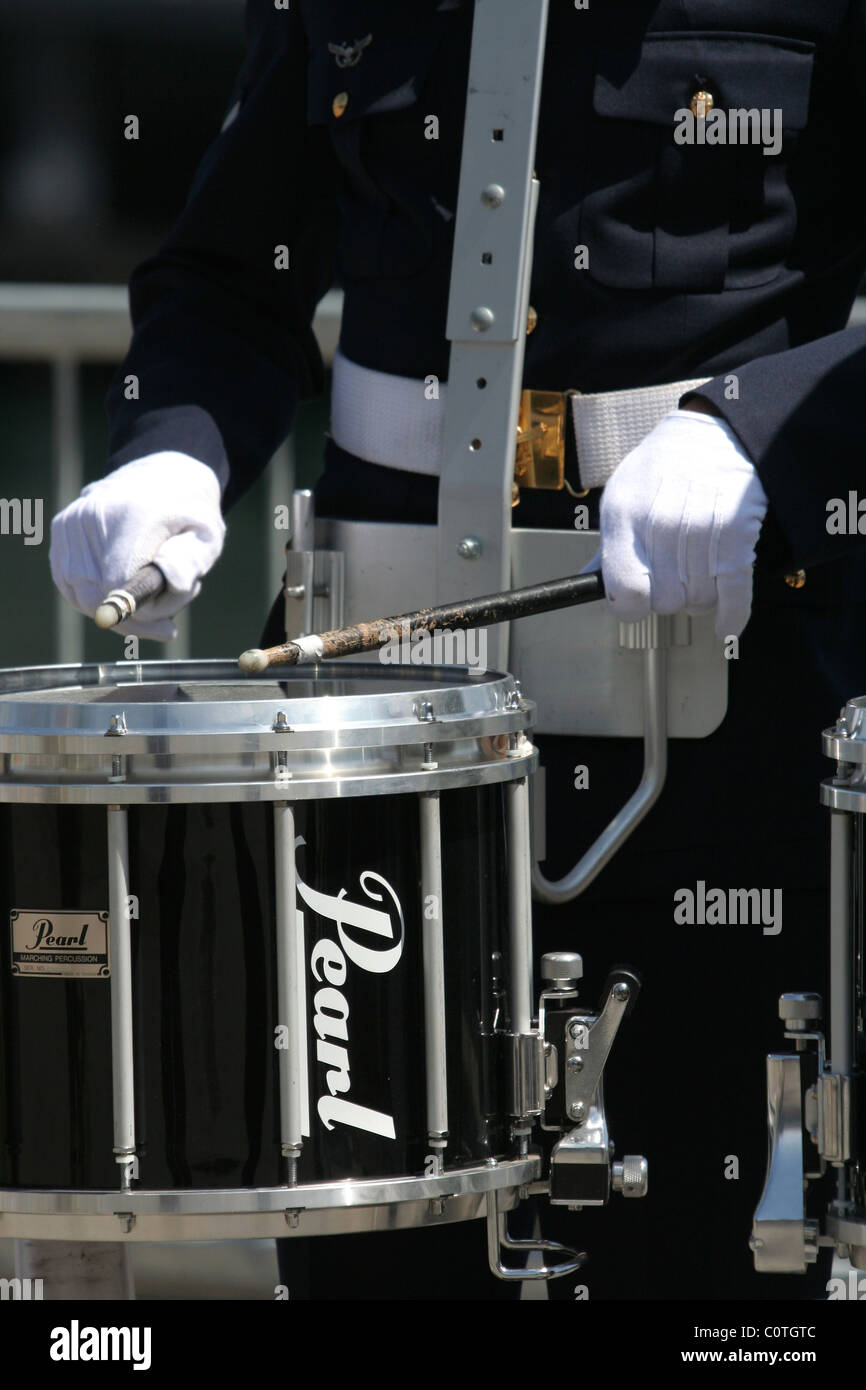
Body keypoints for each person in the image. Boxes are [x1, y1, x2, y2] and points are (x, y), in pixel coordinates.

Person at [50, 0, 866, 1300]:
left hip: (720, 731)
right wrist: (173, 448)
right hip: (377, 759)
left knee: (710, 1264)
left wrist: (761, 430)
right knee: (379, 1248)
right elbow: (226, 275)